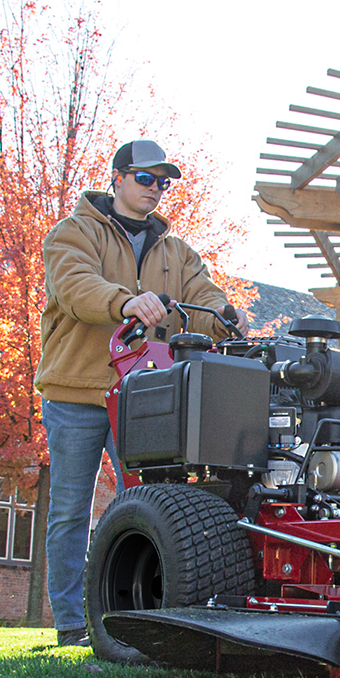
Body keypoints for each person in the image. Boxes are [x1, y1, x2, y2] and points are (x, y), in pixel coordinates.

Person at [34, 140, 249, 647]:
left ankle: (140, 617)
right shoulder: (74, 232)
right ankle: (70, 625)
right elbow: (74, 286)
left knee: (150, 506)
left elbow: (205, 299)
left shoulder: (177, 252)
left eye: (163, 181)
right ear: (118, 178)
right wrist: (125, 302)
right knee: (70, 508)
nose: (156, 189)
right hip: (77, 392)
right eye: (145, 178)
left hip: (145, 397)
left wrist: (227, 317)